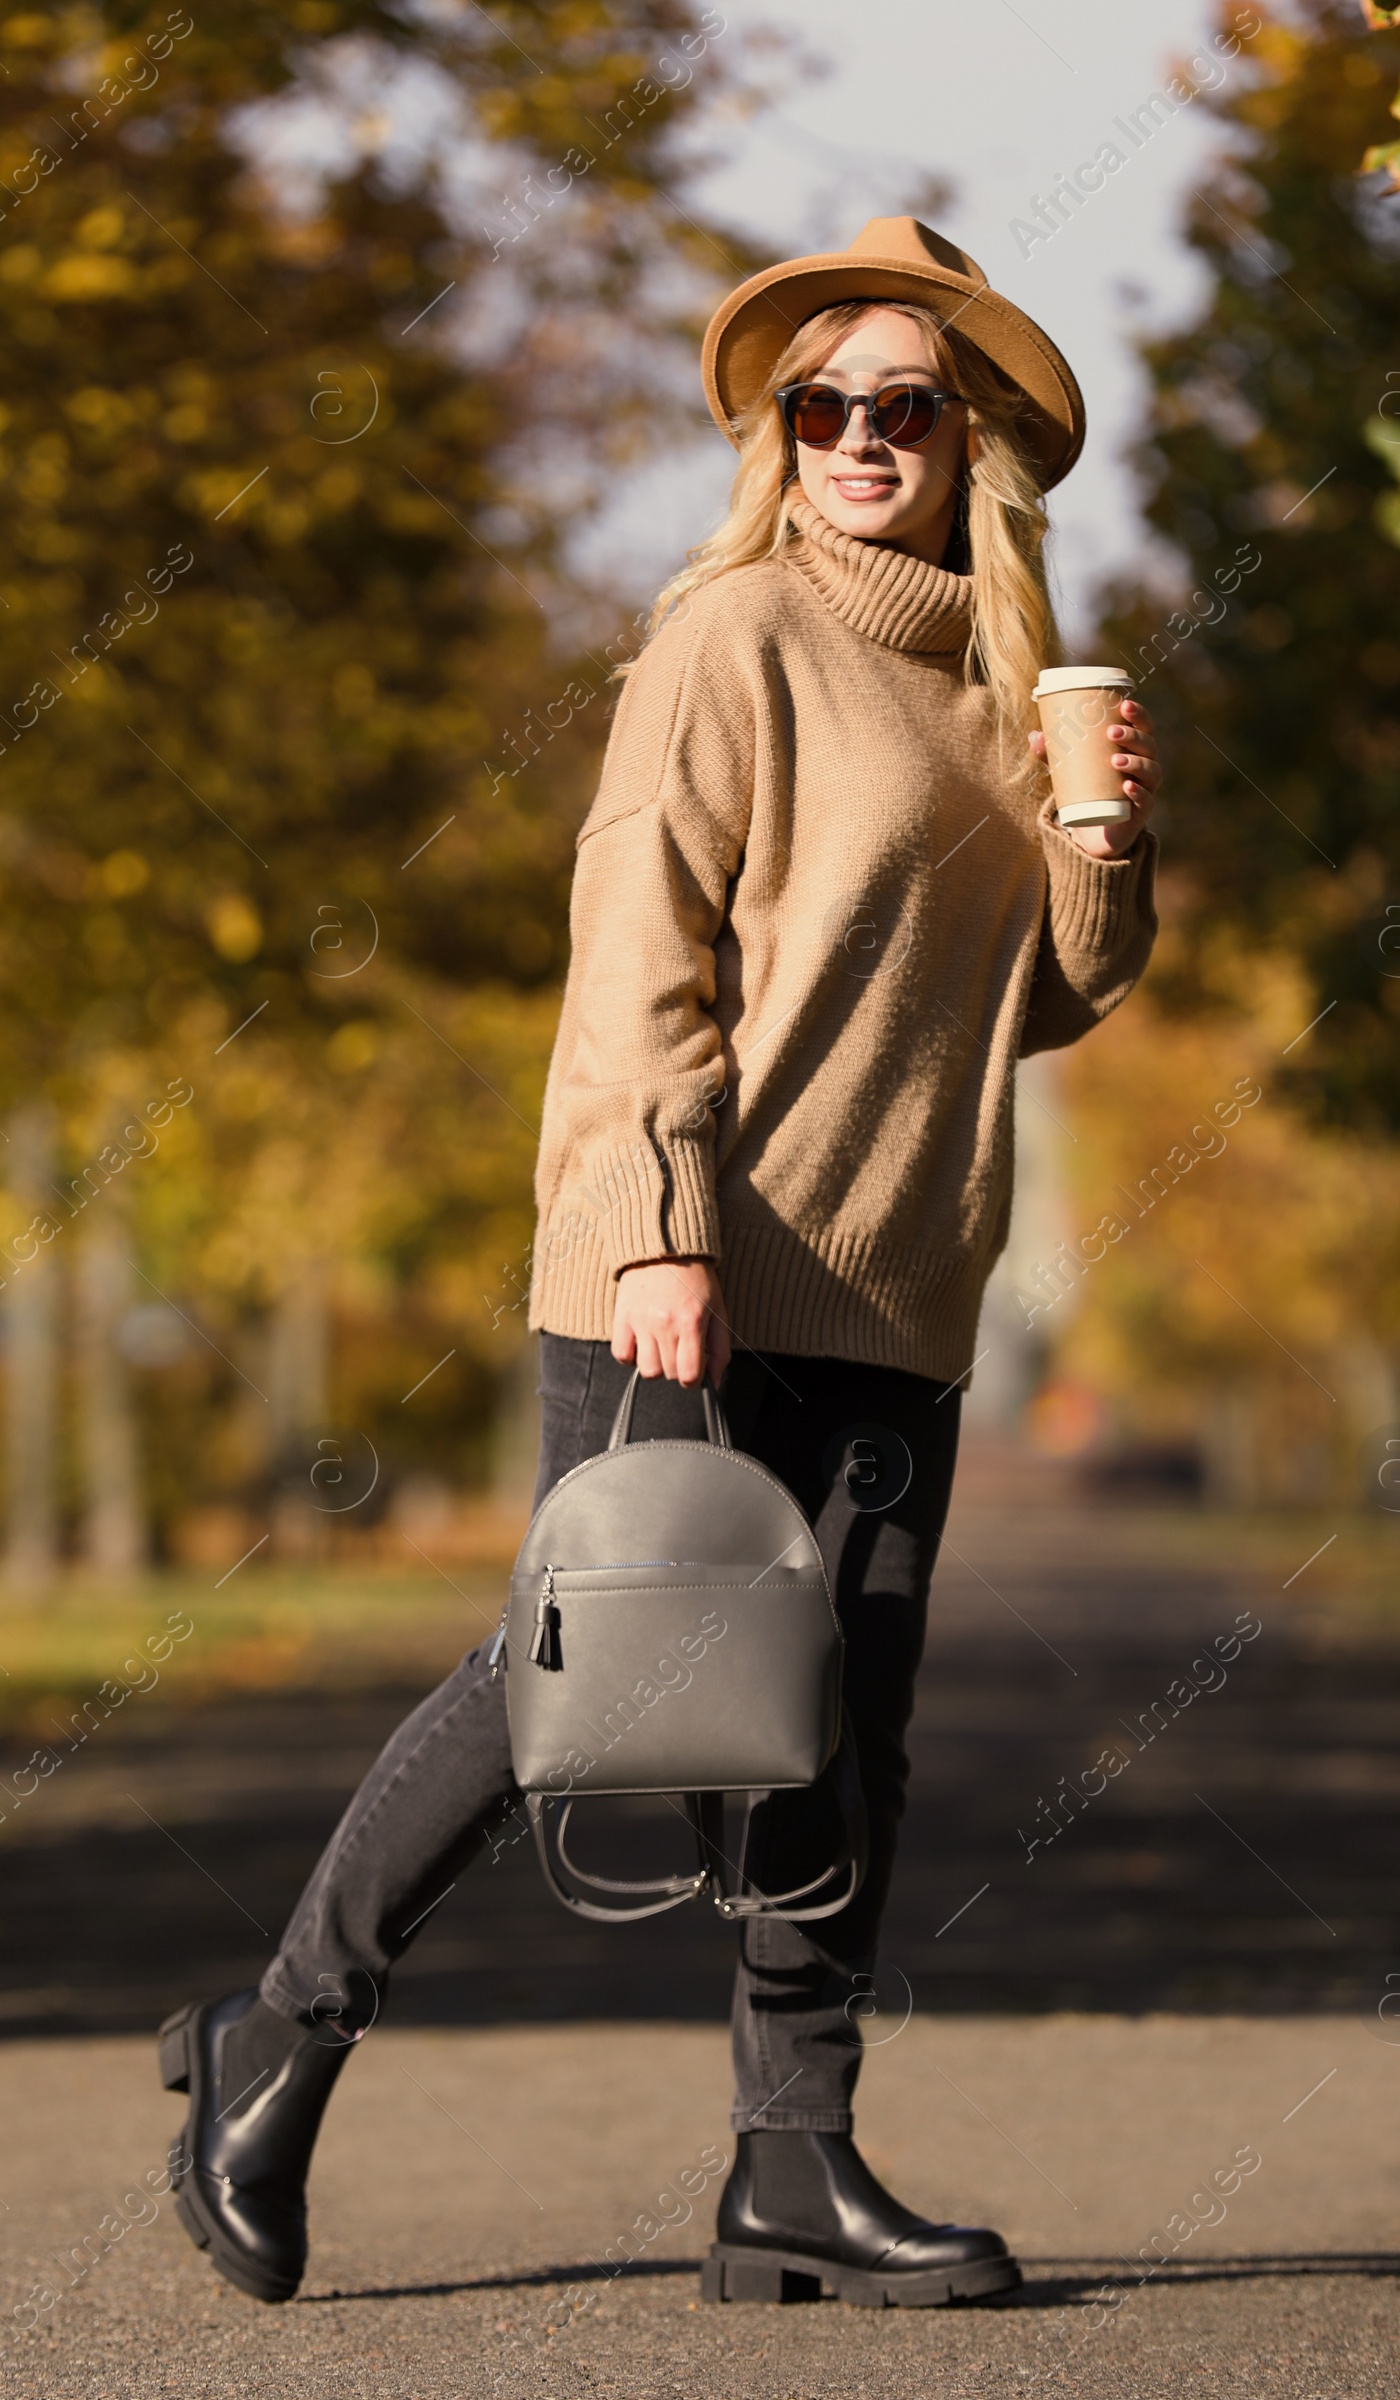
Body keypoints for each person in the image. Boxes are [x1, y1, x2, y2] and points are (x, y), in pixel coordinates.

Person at [157, 217, 1161, 2311]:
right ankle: (279, 2035)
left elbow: (1031, 1009)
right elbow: (640, 956)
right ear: (776, 437)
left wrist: (1094, 847)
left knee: (838, 1739)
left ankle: (788, 2171)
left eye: (902, 405)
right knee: (575, 1695)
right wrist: (656, 1229)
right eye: (822, 407)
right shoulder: (731, 640)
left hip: (897, 1284)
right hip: (696, 1260)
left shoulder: (995, 685)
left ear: (968, 437)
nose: (859, 437)